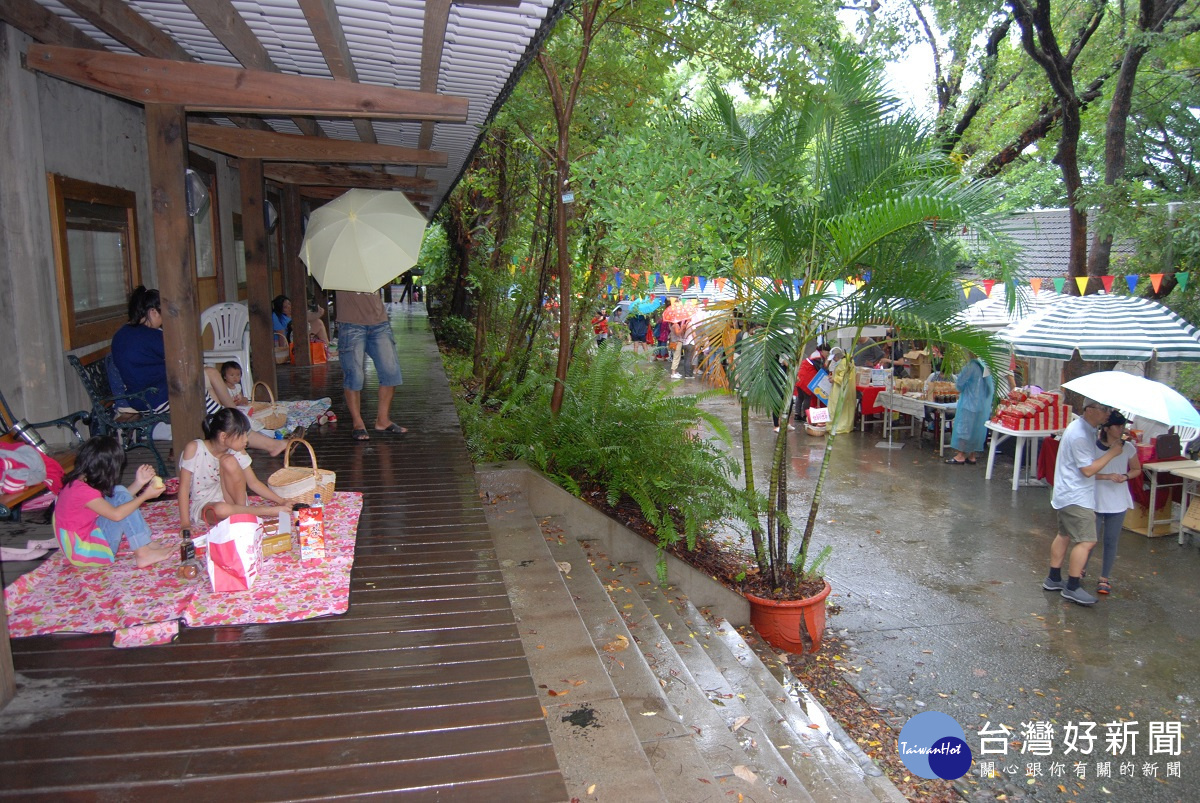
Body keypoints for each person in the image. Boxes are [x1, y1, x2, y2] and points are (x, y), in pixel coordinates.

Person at [1043, 400, 1125, 606]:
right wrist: (1112, 453)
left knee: (1064, 534)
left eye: (1109, 409)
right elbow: (1087, 470)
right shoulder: (1080, 434)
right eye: (1104, 410)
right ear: (1089, 410)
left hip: (1067, 491)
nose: (1108, 414)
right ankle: (1072, 586)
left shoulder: (1086, 429)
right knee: (1087, 541)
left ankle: (1053, 578)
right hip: (1075, 495)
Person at [52, 435, 173, 568]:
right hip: (86, 552)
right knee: (122, 503)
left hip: (82, 542)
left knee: (119, 491)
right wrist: (144, 496)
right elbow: (116, 514)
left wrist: (139, 483)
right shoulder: (82, 491)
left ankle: (146, 543)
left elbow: (116, 501)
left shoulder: (79, 482)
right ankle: (143, 553)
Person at [112, 287, 221, 419]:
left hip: (138, 399)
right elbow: (183, 358)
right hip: (157, 398)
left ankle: (226, 419)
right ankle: (228, 424)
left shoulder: (121, 334)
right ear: (153, 312)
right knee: (198, 391)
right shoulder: (150, 335)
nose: (164, 321)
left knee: (205, 388)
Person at [176, 408, 291, 529]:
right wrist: (185, 524)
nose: (246, 440)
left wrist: (281, 501)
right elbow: (183, 488)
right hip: (205, 504)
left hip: (233, 501)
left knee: (229, 461)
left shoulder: (236, 451)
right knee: (221, 509)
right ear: (223, 436)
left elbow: (253, 483)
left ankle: (241, 513)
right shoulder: (194, 448)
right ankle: (263, 511)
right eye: (241, 435)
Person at [337, 290, 406, 441]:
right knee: (354, 374)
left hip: (379, 323)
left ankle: (383, 420)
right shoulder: (339, 267)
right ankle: (358, 423)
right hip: (351, 323)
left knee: (391, 371)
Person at [1089, 410, 1139, 596]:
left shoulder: (1128, 448)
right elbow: (1087, 472)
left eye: (1123, 426)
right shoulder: (1093, 446)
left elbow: (1136, 469)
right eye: (1118, 426)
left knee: (1111, 540)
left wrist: (1125, 476)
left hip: (1118, 500)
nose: (1122, 430)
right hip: (1096, 498)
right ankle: (1081, 568)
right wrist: (1107, 476)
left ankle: (1104, 577)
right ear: (1108, 428)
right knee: (1089, 539)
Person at [946, 354, 995, 465]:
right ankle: (972, 455)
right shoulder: (985, 365)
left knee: (964, 430)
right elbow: (989, 388)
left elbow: (960, 384)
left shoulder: (971, 366)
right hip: (982, 405)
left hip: (969, 403)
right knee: (975, 430)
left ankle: (960, 455)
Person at [795, 343, 831, 418]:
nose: (827, 355)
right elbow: (822, 370)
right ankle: (806, 415)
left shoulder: (815, 354)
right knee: (807, 397)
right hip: (806, 379)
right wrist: (827, 364)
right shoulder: (818, 358)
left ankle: (797, 414)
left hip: (800, 377)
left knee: (800, 397)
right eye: (827, 353)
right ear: (823, 351)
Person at [827, 347, 856, 435]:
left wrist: (834, 378)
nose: (834, 359)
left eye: (834, 357)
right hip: (837, 387)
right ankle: (834, 425)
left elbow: (846, 378)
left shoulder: (846, 363)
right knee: (834, 406)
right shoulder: (841, 362)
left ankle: (839, 426)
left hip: (842, 389)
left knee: (839, 406)